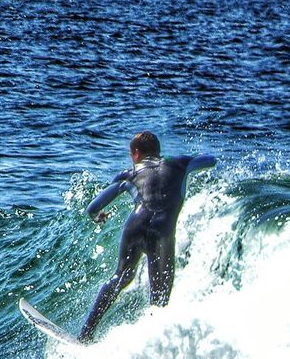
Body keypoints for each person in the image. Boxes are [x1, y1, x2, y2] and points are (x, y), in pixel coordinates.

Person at [78, 131, 216, 342]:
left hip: (135, 226)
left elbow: (93, 208)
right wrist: (190, 164)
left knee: (121, 276)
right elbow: (210, 160)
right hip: (162, 233)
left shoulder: (128, 175)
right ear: (158, 151)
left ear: (135, 154)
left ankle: (85, 335)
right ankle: (152, 345)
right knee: (160, 296)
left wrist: (98, 217)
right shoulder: (180, 163)